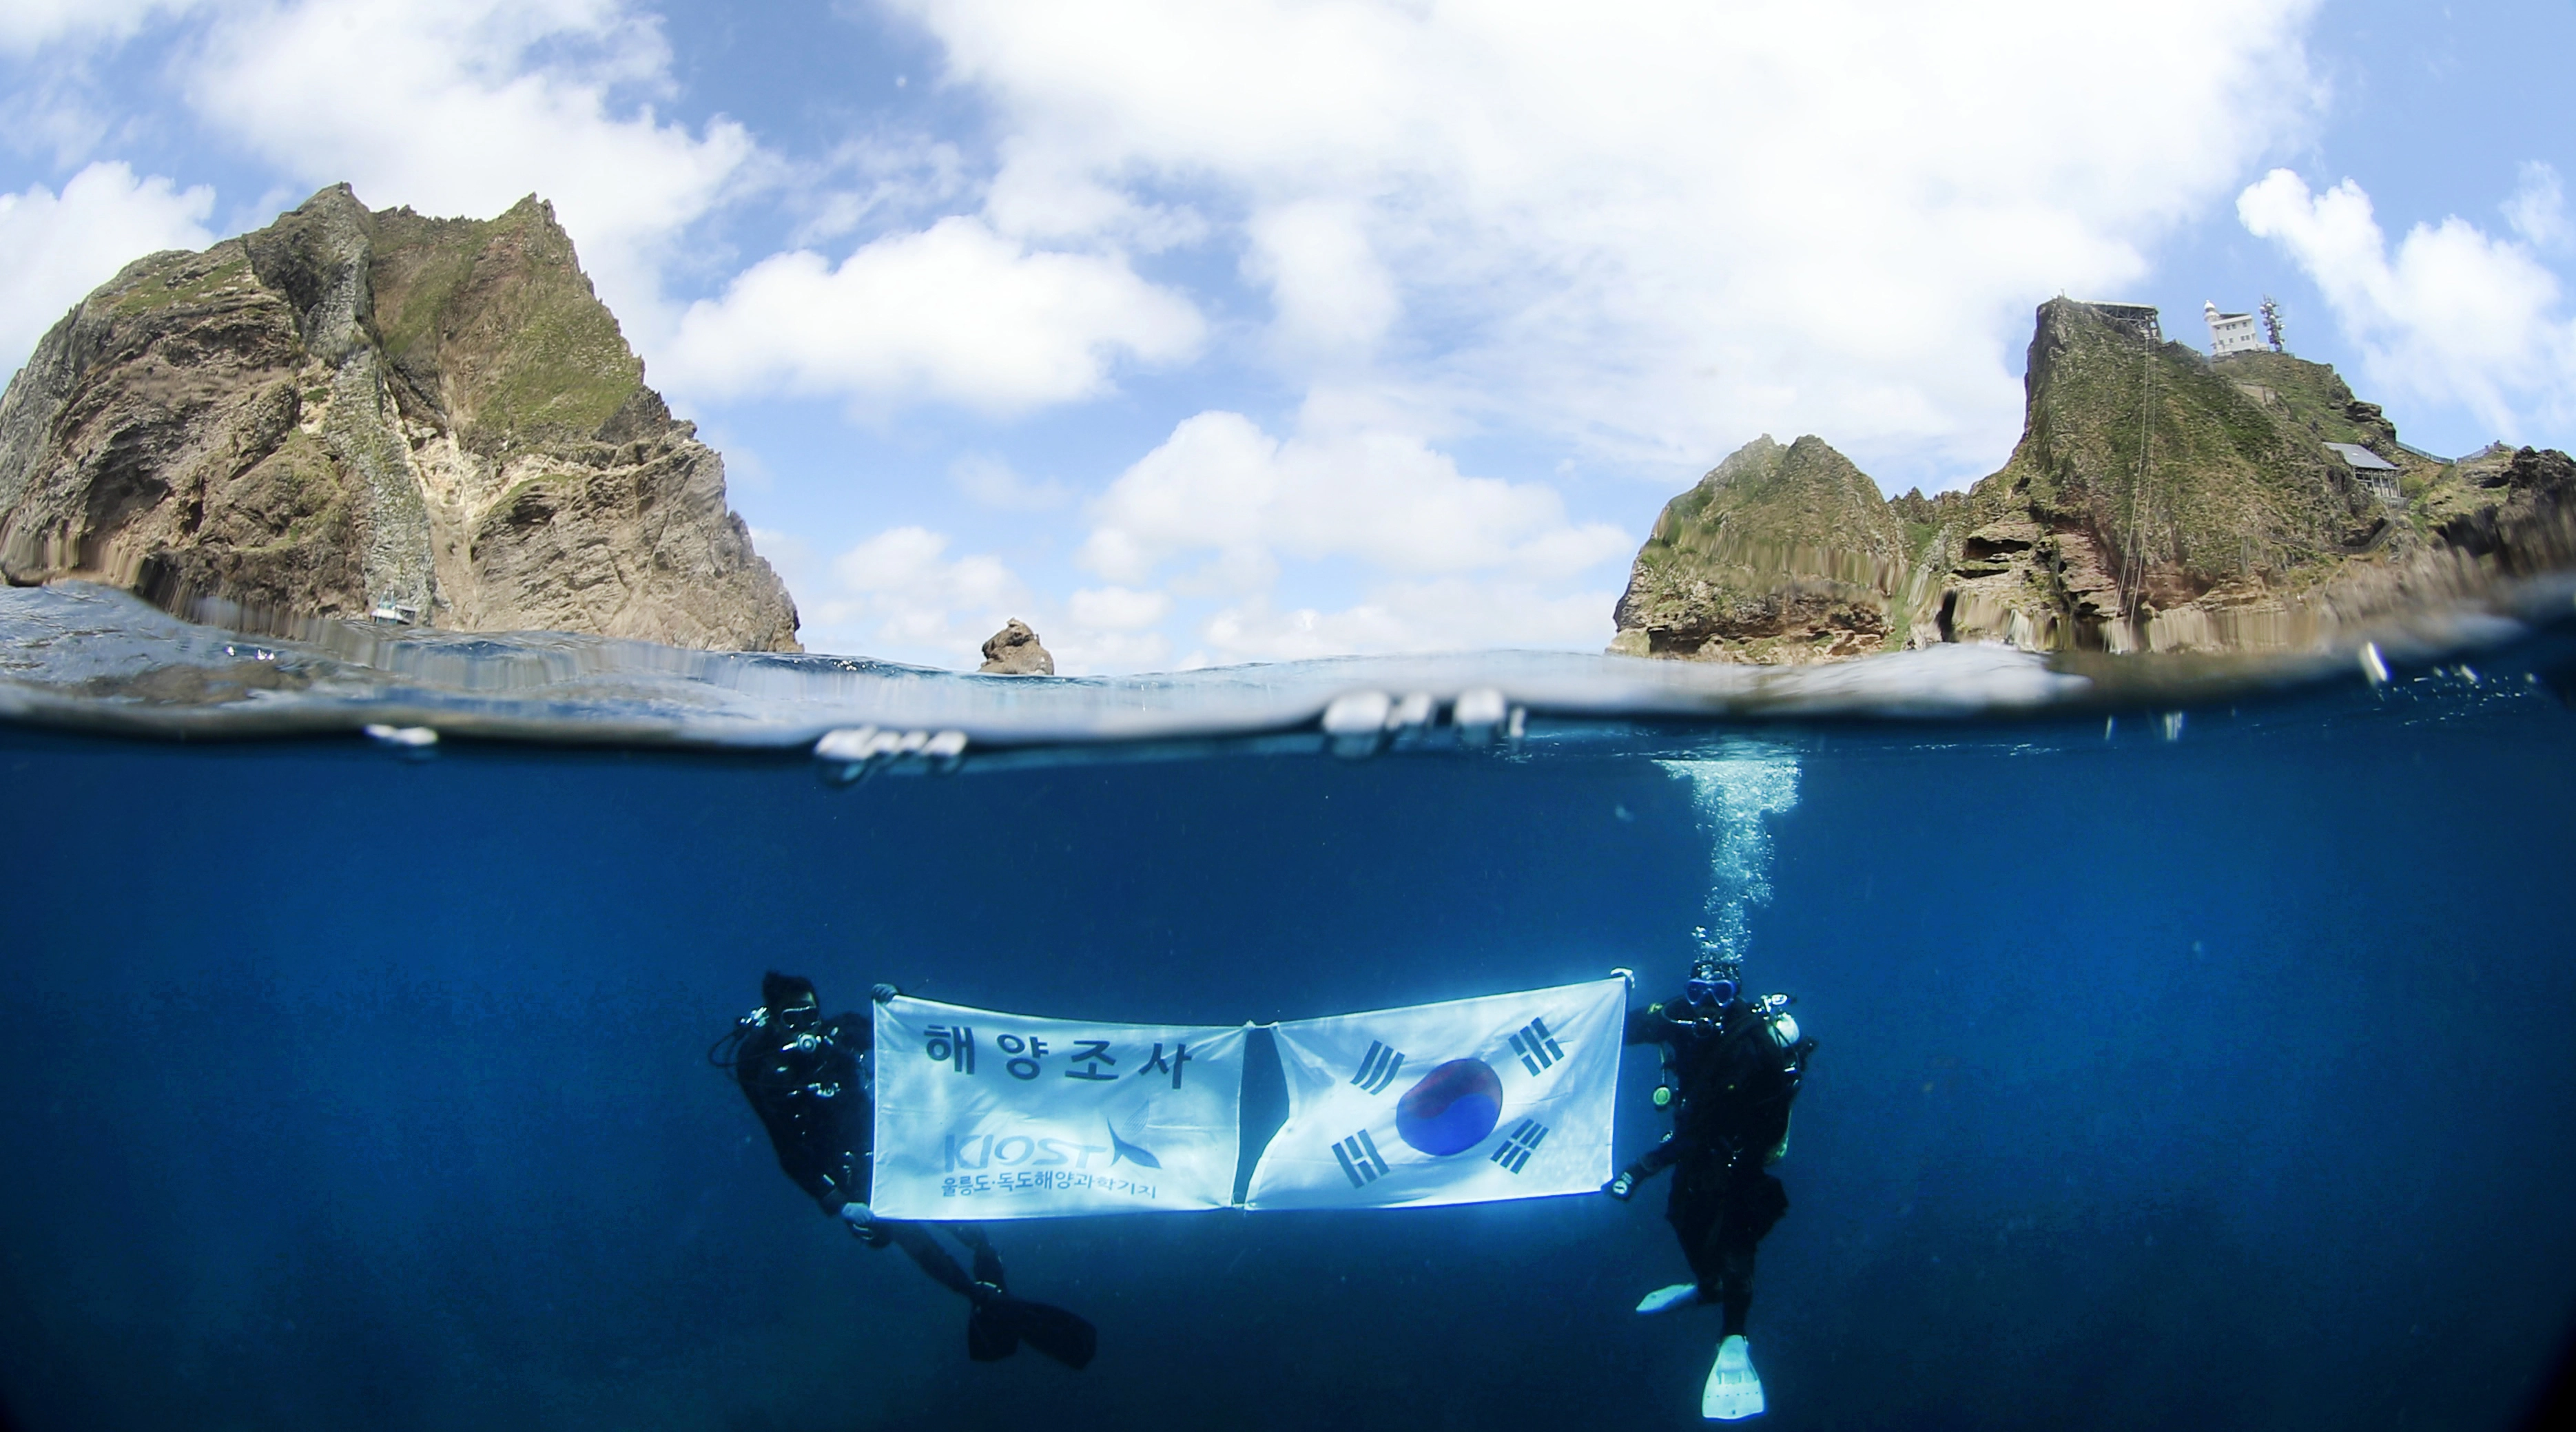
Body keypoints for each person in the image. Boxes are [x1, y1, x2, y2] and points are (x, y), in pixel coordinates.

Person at [717, 972, 1096, 1369]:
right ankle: (979, 1296)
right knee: (900, 1226)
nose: (806, 1029)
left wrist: (898, 1002)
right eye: (793, 1020)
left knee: (955, 1217)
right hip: (846, 1171)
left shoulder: (838, 1034)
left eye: (810, 1015)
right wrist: (839, 1203)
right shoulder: (760, 1067)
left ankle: (988, 1275)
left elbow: (903, 1035)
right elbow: (788, 1148)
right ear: (776, 1022)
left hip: (889, 1146)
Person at [1607, 964, 1815, 1421]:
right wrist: (1613, 995)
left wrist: (1642, 1167)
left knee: (1735, 1237)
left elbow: (1708, 1121)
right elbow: (1616, 1029)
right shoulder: (1677, 1015)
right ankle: (1707, 1287)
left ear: (1734, 995)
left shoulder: (1750, 1041)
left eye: (1720, 993)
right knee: (1681, 1216)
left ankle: (1734, 1338)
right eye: (1698, 990)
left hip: (1741, 1142)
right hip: (1695, 1141)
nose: (1706, 1003)